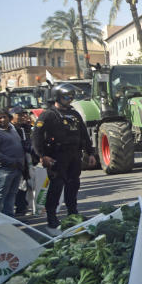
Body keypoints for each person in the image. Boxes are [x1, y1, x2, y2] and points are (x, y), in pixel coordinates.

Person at [32, 83, 93, 229]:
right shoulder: (48, 115)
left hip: (74, 155)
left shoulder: (74, 114)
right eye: (66, 96)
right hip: (56, 156)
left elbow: (84, 134)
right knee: (56, 186)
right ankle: (51, 218)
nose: (69, 99)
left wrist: (90, 152)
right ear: (57, 97)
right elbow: (36, 136)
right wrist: (42, 155)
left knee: (73, 185)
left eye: (71, 97)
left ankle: (73, 214)